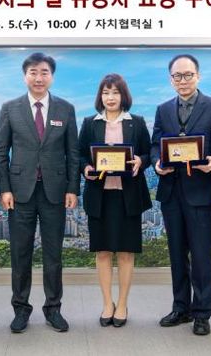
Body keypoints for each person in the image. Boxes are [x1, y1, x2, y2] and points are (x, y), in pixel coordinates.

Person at [0, 52, 80, 333]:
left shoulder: (65, 109)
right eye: (33, 72)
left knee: (54, 255)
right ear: (25, 76)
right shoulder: (10, 108)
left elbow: (73, 153)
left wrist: (72, 188)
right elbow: (0, 153)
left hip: (55, 192)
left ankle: (53, 309)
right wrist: (4, 189)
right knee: (20, 254)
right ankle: (20, 309)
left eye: (44, 72)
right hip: (20, 193)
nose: (39, 77)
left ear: (51, 76)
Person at [151, 54, 211, 336]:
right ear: (170, 79)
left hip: (200, 190)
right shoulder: (163, 109)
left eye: (188, 75)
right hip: (171, 191)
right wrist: (157, 163)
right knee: (176, 253)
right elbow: (155, 145)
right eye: (177, 76)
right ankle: (180, 307)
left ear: (198, 76)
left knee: (201, 254)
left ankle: (202, 313)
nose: (182, 80)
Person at [78, 74, 152, 328]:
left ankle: (122, 304)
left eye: (115, 92)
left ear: (123, 96)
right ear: (100, 96)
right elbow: (80, 155)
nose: (110, 98)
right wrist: (86, 168)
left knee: (126, 252)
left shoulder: (137, 123)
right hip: (100, 196)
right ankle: (107, 303)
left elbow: (148, 152)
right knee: (103, 251)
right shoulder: (90, 123)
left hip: (127, 196)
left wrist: (141, 160)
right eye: (106, 92)